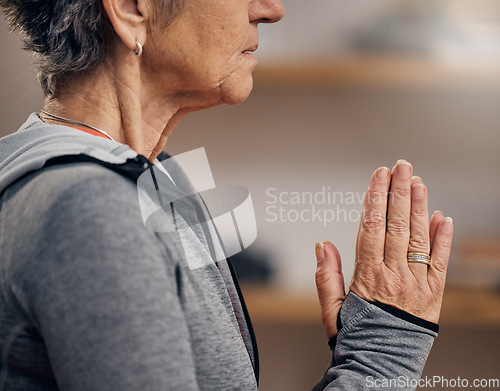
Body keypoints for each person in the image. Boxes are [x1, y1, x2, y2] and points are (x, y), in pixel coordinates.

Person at [0, 0, 453, 390]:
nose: (271, 10)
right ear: (131, 7)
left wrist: (366, 354)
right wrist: (382, 356)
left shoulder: (150, 176)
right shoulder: (93, 210)